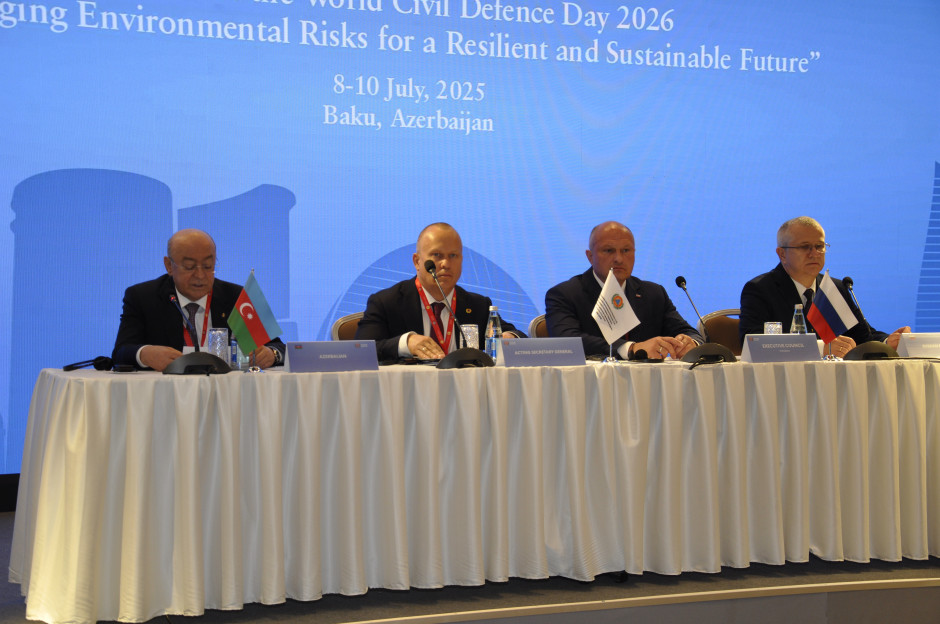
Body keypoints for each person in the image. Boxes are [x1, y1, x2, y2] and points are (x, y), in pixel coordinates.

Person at [112, 229, 285, 371]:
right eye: (189, 267)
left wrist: (271, 354)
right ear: (169, 265)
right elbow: (121, 352)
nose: (200, 275)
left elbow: (279, 347)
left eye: (208, 266)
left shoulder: (236, 296)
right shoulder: (143, 297)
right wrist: (145, 354)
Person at [739, 216, 909, 356]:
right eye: (805, 247)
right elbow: (752, 343)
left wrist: (887, 342)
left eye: (819, 246)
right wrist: (820, 348)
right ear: (782, 254)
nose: (814, 254)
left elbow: (863, 336)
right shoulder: (760, 289)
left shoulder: (835, 288)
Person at [355, 223, 524, 361]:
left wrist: (508, 339)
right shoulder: (387, 302)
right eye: (437, 255)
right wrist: (406, 343)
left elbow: (518, 336)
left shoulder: (477, 305)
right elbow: (361, 351)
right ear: (417, 261)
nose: (446, 264)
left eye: (453, 256)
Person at [545, 221, 702, 360]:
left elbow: (689, 332)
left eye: (626, 250)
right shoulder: (565, 294)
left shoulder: (654, 293)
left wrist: (690, 342)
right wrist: (630, 348)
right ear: (590, 256)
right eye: (609, 250)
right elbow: (567, 341)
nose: (619, 259)